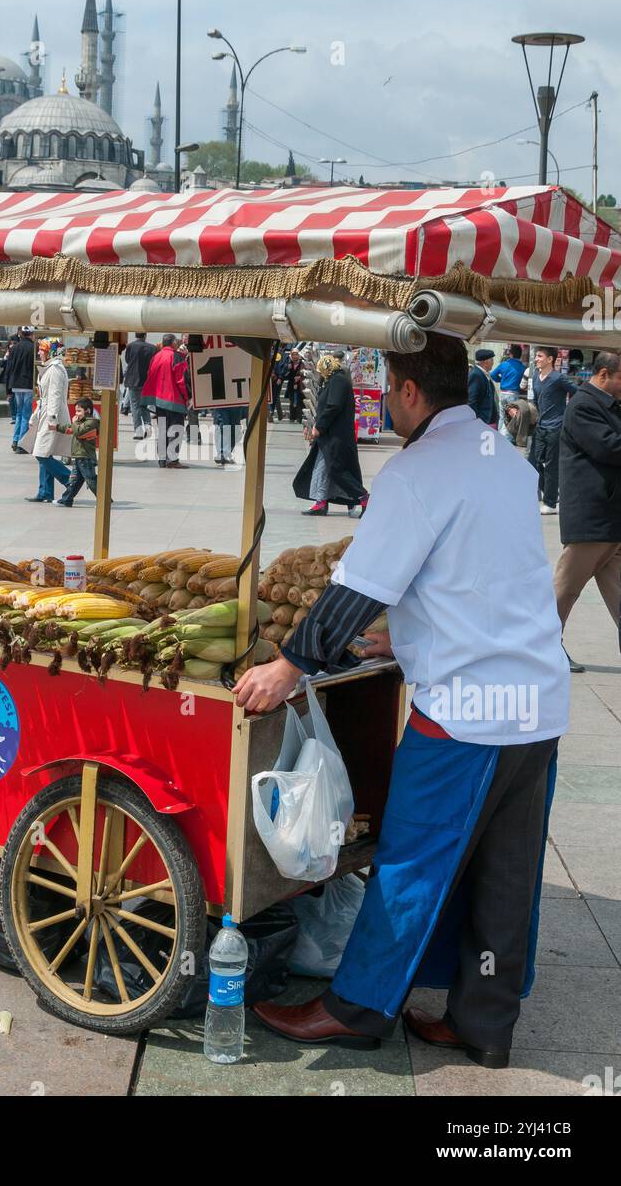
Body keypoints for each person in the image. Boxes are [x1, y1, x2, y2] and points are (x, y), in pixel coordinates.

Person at [236, 332, 568, 1068]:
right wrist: (411, 639)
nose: (385, 401)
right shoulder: (502, 459)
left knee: (411, 860)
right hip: (535, 700)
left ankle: (353, 1009)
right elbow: (484, 575)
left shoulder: (418, 471)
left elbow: (360, 584)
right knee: (505, 876)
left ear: (410, 391)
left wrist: (289, 665)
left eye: (388, 388)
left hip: (470, 712)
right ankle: (483, 1023)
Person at [554, 350, 621, 664]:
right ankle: (540, 648)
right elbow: (609, 447)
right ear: (604, 374)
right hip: (592, 519)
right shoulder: (583, 405)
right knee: (563, 591)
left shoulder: (608, 405)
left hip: (610, 521)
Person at [293, 352, 367, 518]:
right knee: (321, 469)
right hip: (328, 436)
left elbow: (333, 407)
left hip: (336, 436)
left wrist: (319, 427)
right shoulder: (333, 381)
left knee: (337, 469)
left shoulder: (338, 381)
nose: (319, 373)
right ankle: (321, 503)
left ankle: (364, 498)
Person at [529, 346, 577, 515]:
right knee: (533, 462)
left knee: (550, 465)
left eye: (540, 356)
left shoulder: (558, 378)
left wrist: (567, 415)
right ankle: (550, 491)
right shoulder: (535, 375)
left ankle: (550, 503)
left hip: (556, 427)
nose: (536, 359)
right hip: (540, 426)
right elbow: (536, 400)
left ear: (550, 359)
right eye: (536, 356)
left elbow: (577, 393)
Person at [28, 340, 71, 502]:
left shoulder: (55, 370)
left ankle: (70, 480)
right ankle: (45, 491)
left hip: (51, 416)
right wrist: (34, 417)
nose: (39, 352)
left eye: (42, 350)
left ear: (51, 352)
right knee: (45, 452)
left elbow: (55, 395)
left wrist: (52, 418)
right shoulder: (51, 368)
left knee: (41, 453)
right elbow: (44, 397)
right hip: (46, 414)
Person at [142, 334, 188, 468]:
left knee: (162, 428)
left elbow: (150, 375)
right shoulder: (176, 356)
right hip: (174, 399)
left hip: (159, 400)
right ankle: (172, 459)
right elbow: (182, 379)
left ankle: (162, 459)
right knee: (175, 429)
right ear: (173, 343)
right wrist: (188, 397)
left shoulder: (156, 356)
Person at [57, 398, 99, 506]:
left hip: (85, 456)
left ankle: (104, 498)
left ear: (88, 411)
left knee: (91, 480)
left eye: (79, 411)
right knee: (74, 481)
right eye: (76, 411)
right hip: (79, 456)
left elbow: (79, 432)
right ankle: (66, 500)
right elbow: (70, 428)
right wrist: (56, 427)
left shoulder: (92, 422)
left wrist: (74, 422)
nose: (77, 414)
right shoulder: (80, 422)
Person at [3, 325, 36, 451]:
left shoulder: (14, 348)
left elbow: (9, 369)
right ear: (31, 335)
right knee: (26, 414)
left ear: (21, 334)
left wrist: (8, 389)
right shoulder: (33, 348)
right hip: (28, 384)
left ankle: (15, 439)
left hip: (15, 384)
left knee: (18, 414)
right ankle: (22, 443)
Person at [122, 332, 156, 439]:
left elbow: (128, 360)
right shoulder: (152, 348)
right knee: (145, 405)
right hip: (147, 380)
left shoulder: (130, 346)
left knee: (135, 406)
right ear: (145, 336)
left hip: (133, 380)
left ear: (136, 335)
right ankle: (148, 427)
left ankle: (138, 431)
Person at [490, 344, 526, 440]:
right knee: (511, 417)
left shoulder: (504, 364)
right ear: (520, 355)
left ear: (511, 354)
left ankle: (499, 437)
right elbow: (524, 383)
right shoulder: (522, 367)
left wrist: (500, 380)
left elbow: (492, 374)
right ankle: (508, 439)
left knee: (502, 416)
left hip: (503, 393)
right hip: (514, 394)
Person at [467, 348, 498, 426]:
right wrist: (477, 420)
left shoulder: (484, 374)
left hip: (487, 421)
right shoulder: (476, 375)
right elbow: (471, 400)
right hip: (482, 421)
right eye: (492, 360)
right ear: (486, 362)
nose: (493, 362)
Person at [269, 348, 289, 421]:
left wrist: (275, 375)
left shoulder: (273, 353)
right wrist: (280, 377)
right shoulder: (283, 355)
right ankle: (273, 413)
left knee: (274, 396)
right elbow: (285, 366)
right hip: (275, 378)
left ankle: (274, 413)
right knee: (274, 396)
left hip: (272, 377)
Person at [284, 348, 304, 422]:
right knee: (292, 401)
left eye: (296, 354)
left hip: (300, 386)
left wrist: (300, 377)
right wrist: (288, 369)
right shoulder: (289, 363)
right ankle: (292, 417)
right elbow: (286, 376)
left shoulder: (302, 363)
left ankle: (299, 418)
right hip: (291, 385)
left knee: (299, 402)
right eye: (293, 354)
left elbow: (305, 373)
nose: (295, 356)